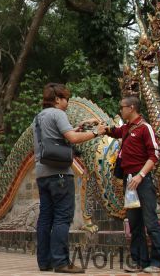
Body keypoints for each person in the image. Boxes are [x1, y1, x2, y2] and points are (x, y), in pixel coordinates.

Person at [33, 83, 105, 274]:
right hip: (60, 174)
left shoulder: (39, 117)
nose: (67, 103)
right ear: (57, 99)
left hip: (42, 174)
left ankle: (45, 261)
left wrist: (78, 127)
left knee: (45, 218)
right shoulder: (57, 114)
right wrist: (96, 132)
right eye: (66, 99)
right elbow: (72, 139)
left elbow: (58, 137)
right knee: (62, 218)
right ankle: (61, 262)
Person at [103, 96, 160, 273]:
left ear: (131, 108)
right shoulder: (127, 128)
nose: (120, 110)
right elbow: (114, 131)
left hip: (142, 180)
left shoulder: (144, 128)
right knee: (134, 222)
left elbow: (154, 155)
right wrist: (99, 126)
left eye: (122, 107)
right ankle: (140, 261)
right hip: (128, 180)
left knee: (150, 221)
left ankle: (159, 262)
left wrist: (140, 175)